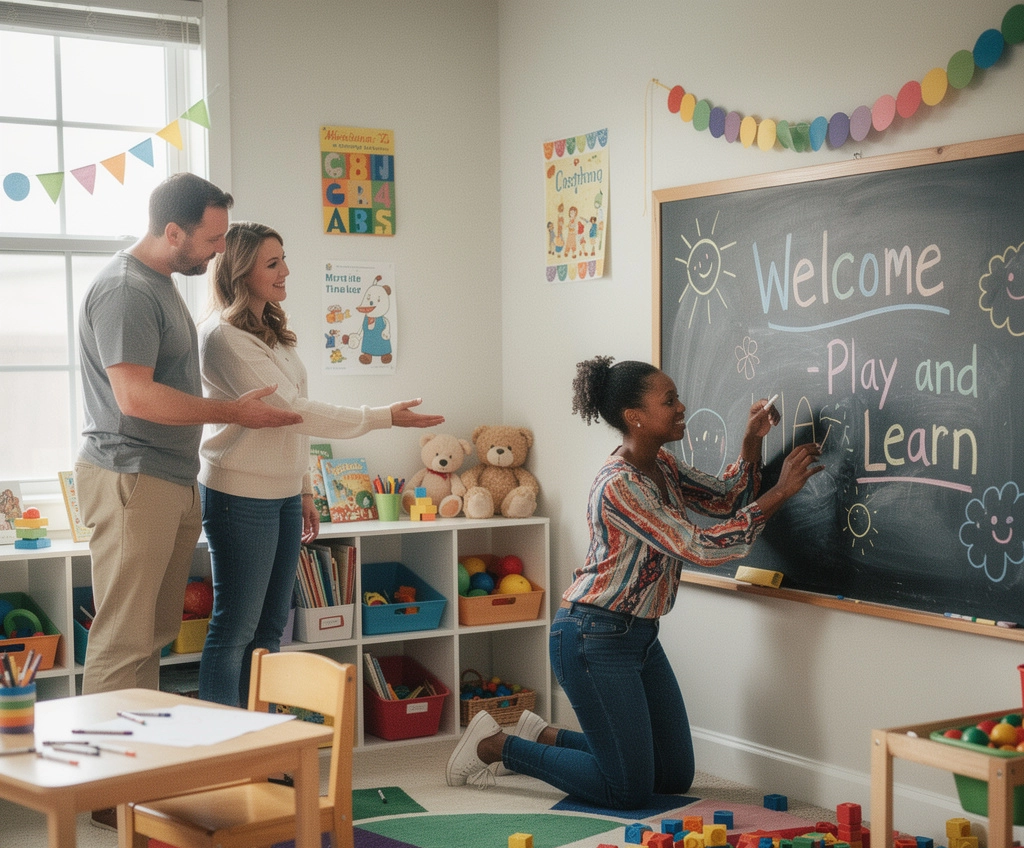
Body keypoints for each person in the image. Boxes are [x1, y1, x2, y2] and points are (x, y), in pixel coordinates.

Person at [446, 356, 822, 809]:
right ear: (635, 417)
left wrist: (750, 443)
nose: (681, 407)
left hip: (640, 637)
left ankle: (542, 733)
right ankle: (495, 745)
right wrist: (780, 491)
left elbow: (725, 501)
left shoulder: (660, 465)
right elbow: (702, 547)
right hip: (592, 639)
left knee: (674, 775)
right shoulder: (619, 485)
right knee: (628, 790)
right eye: (669, 401)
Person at [197, 221, 444, 707]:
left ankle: (260, 741)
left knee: (271, 628)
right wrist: (381, 417)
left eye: (283, 259)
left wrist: (305, 490)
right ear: (241, 271)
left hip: (284, 494)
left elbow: (299, 419)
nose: (286, 270)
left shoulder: (272, 332)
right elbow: (294, 412)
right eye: (273, 263)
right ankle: (221, 750)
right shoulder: (225, 338)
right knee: (236, 628)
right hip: (240, 495)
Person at [76, 174, 303, 699]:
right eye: (213, 239)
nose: (221, 251)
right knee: (122, 640)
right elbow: (135, 397)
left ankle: (144, 766)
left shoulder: (158, 284)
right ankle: (109, 777)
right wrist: (234, 412)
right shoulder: (127, 290)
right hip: (132, 475)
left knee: (151, 636)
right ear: (173, 232)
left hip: (169, 477)